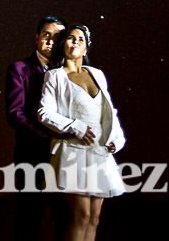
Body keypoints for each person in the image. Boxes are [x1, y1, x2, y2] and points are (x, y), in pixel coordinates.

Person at [38, 24, 125, 241]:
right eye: (71, 38)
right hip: (73, 151)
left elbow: (109, 111)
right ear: (63, 44)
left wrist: (117, 138)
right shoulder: (55, 76)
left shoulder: (97, 74)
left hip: (99, 151)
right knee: (82, 215)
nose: (75, 41)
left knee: (94, 218)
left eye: (80, 39)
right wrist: (75, 126)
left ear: (86, 48)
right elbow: (44, 112)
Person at [6, 15, 68, 241]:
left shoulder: (70, 72)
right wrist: (46, 137)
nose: (51, 41)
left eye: (57, 37)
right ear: (37, 38)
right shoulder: (19, 69)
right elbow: (15, 113)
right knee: (29, 219)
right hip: (31, 155)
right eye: (46, 35)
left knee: (66, 219)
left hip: (65, 158)